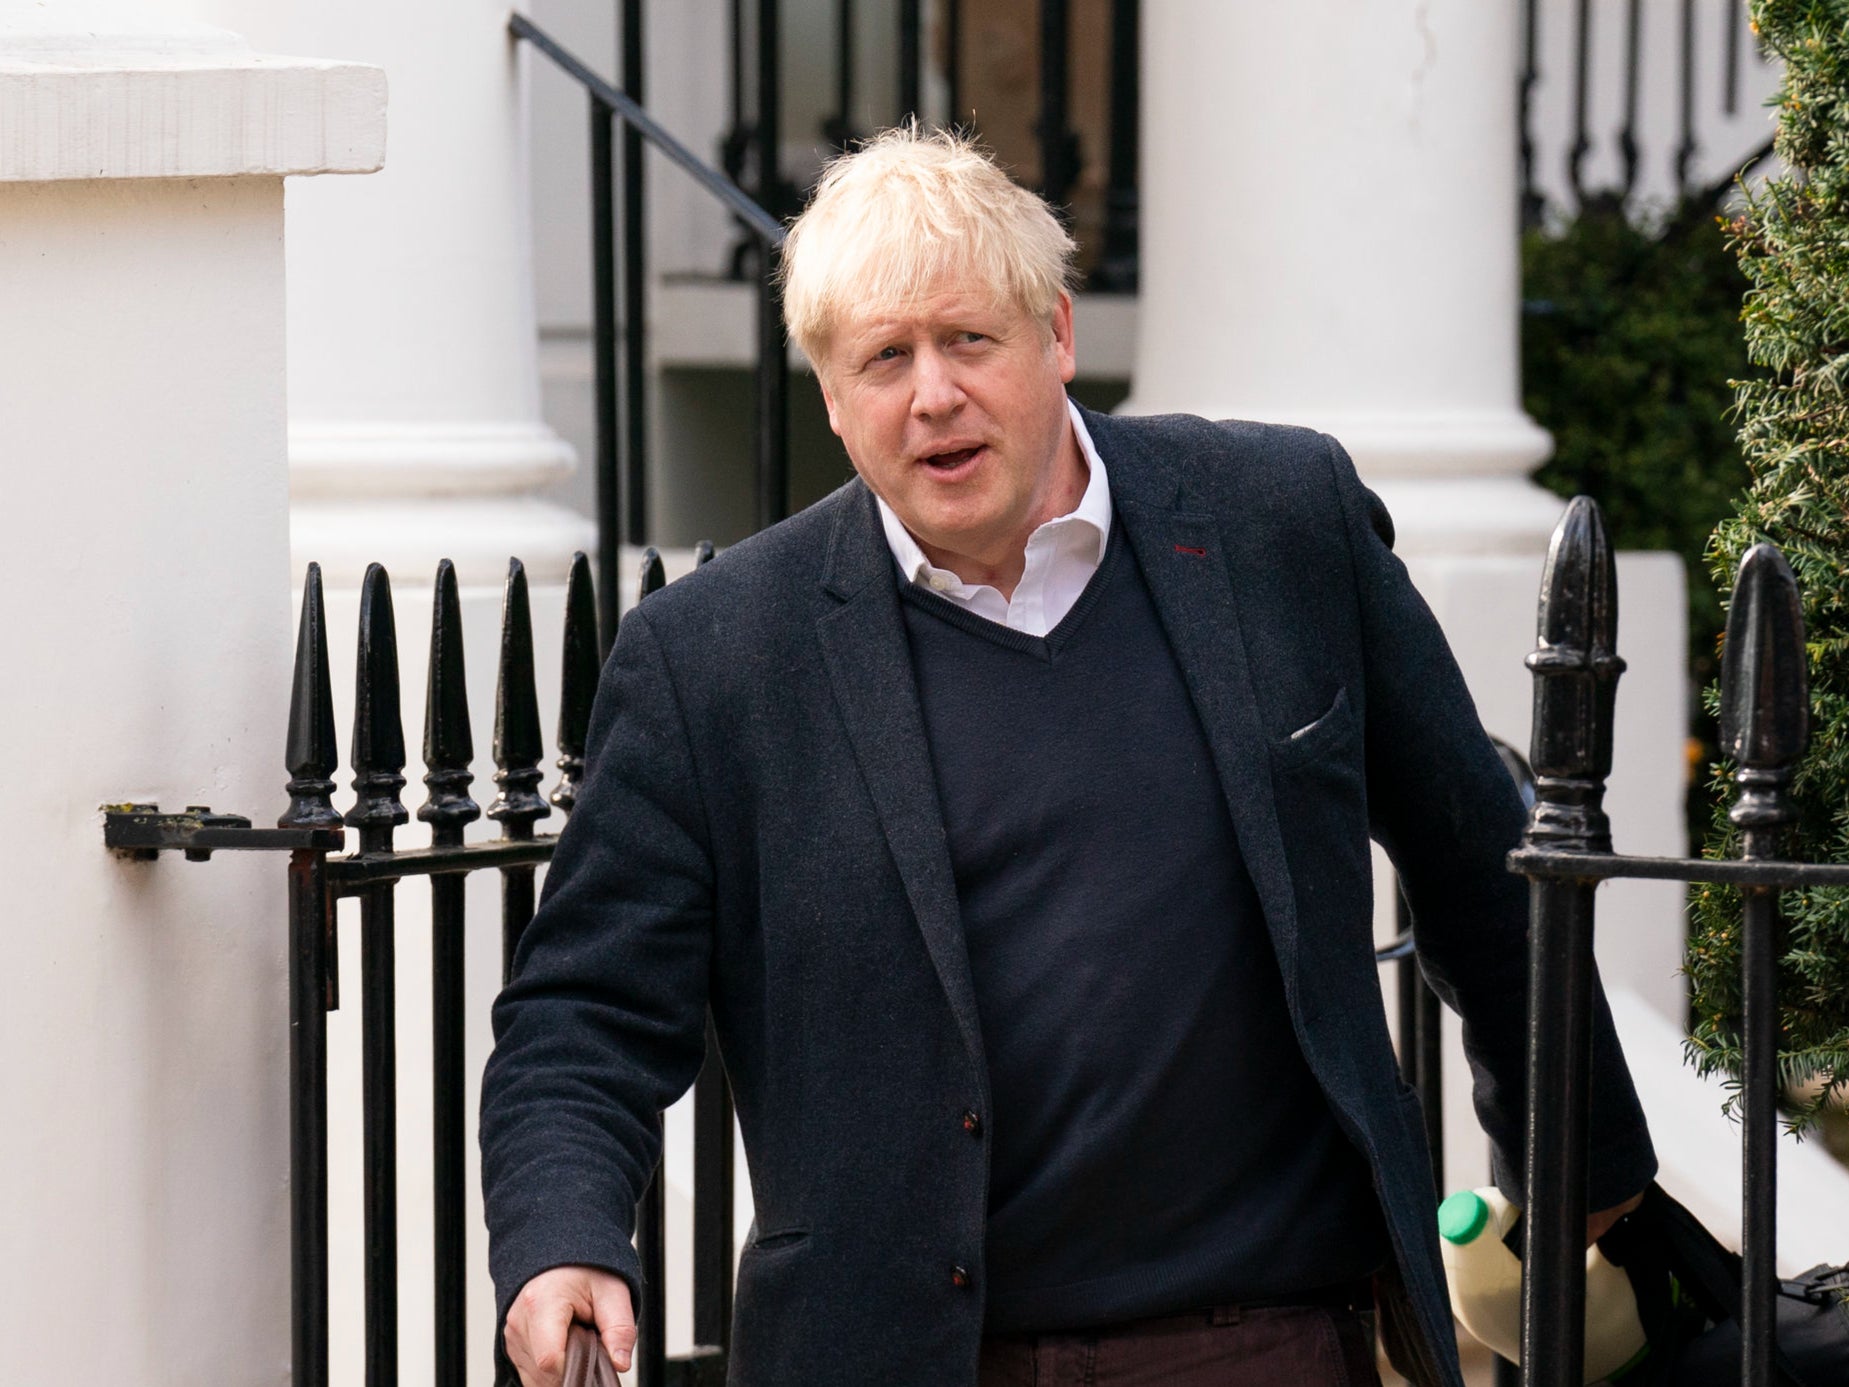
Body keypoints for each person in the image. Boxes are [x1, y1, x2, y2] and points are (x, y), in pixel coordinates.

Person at [480, 126, 1655, 1387]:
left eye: (968, 340)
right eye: (883, 358)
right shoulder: (713, 660)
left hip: (1264, 1339)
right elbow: (585, 1010)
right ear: (831, 397)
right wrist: (563, 1240)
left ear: (1056, 335)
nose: (931, 394)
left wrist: (1580, 1171)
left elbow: (1477, 854)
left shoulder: (1278, 522)